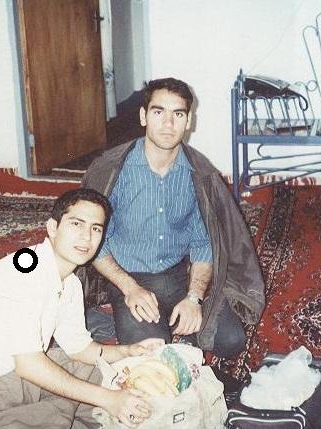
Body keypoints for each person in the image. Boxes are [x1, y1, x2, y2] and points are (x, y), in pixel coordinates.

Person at [0, 189, 164, 429]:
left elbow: (80, 349)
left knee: (99, 372)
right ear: (53, 228)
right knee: (98, 393)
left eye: (96, 228)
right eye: (77, 224)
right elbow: (29, 365)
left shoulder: (70, 282)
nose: (87, 237)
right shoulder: (23, 271)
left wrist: (128, 351)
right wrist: (107, 398)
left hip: (21, 378)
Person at [81, 77, 265, 359]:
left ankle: (170, 322)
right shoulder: (113, 170)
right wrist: (129, 289)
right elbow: (92, 240)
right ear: (143, 116)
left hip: (178, 276)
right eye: (159, 112)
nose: (168, 123)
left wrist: (194, 298)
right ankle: (127, 317)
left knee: (231, 341)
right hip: (128, 277)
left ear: (188, 121)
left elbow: (204, 243)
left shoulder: (198, 173)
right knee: (153, 354)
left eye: (178, 114)